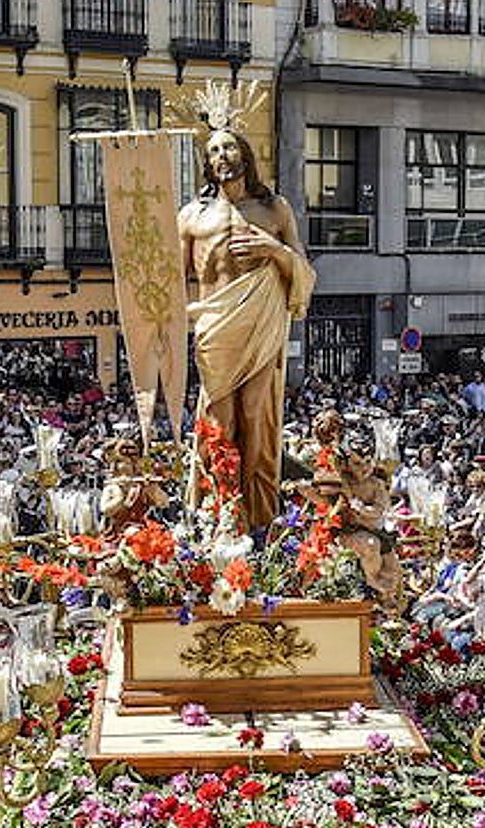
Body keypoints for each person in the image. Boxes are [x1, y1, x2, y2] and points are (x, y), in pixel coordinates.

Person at [178, 125, 316, 529]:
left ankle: (259, 517)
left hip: (261, 322)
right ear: (207, 162)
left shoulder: (275, 209)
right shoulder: (192, 215)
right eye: (215, 149)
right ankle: (217, 515)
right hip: (215, 325)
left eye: (230, 147)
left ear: (245, 154)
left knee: (257, 416)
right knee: (220, 424)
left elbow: (304, 270)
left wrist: (274, 250)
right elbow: (170, 278)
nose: (222, 155)